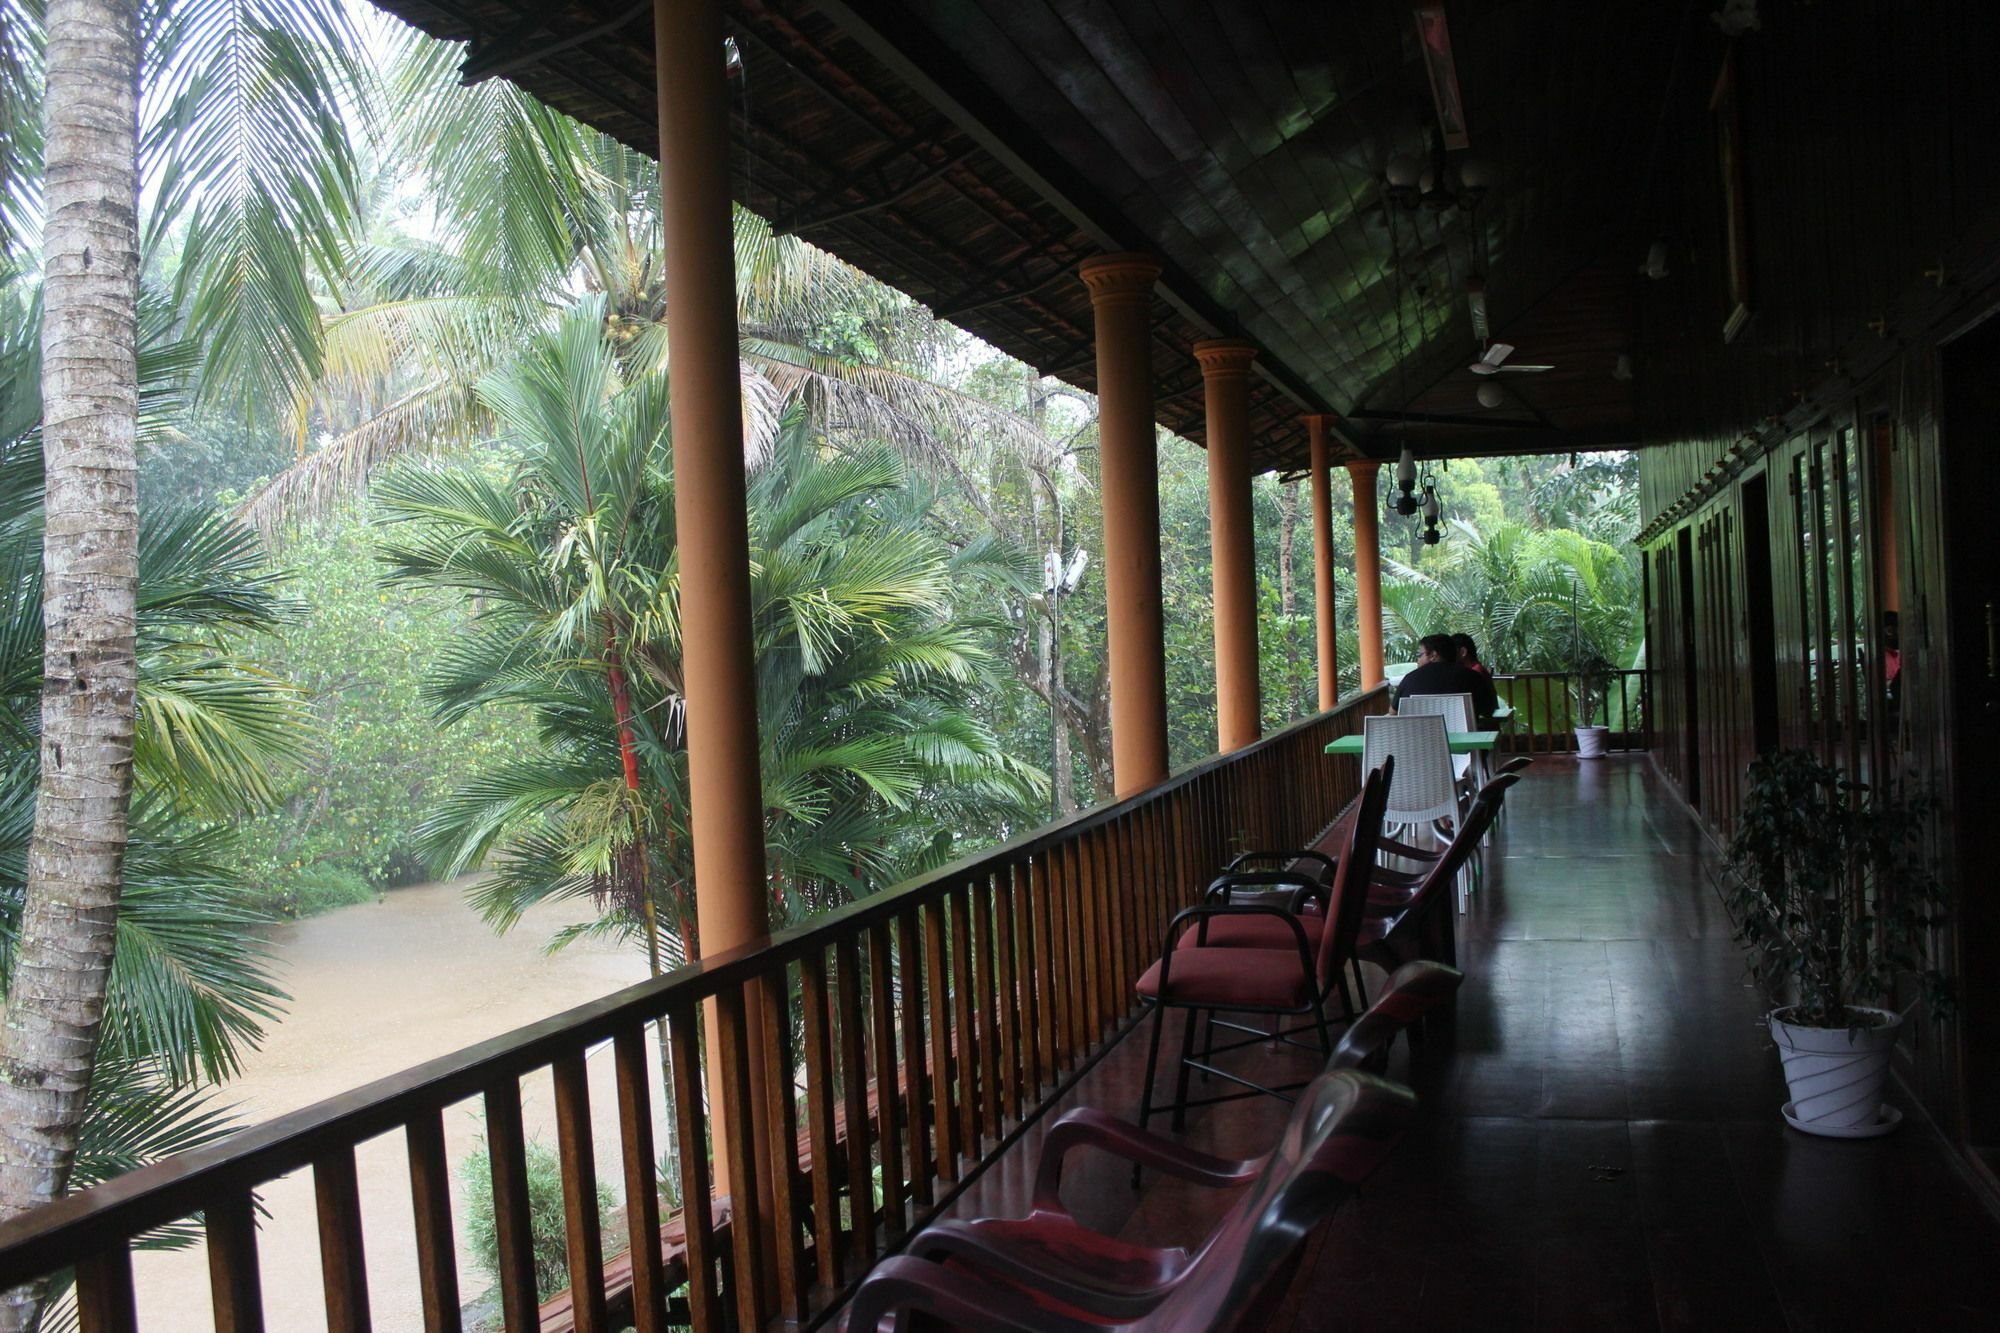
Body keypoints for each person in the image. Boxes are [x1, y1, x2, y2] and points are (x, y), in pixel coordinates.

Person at [1396, 632, 1499, 721]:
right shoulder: (1473, 677)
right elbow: (1488, 710)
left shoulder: (1410, 679)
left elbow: (1393, 712)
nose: (1417, 660)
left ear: (1433, 655)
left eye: (1420, 655)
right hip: (1466, 741)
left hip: (1421, 742)